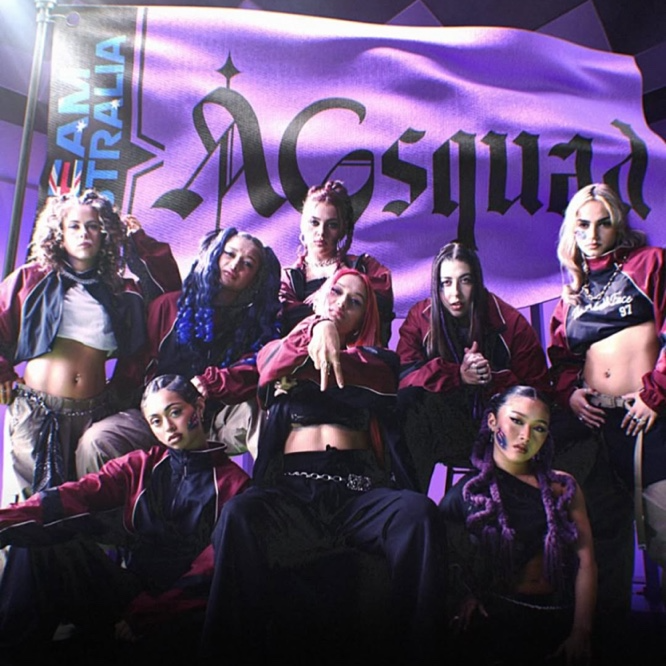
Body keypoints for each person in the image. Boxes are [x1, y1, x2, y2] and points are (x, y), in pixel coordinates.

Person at [200, 268, 447, 664]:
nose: (342, 304)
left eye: (355, 302)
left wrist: (302, 365)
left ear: (364, 318)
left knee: (419, 513)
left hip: (357, 493)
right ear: (317, 299)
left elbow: (372, 382)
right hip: (294, 493)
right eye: (336, 293)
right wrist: (317, 328)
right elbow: (268, 365)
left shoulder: (379, 361)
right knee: (238, 514)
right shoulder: (280, 345)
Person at [0, 374, 250, 662]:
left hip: (179, 615)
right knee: (37, 542)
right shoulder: (142, 465)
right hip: (129, 594)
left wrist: (148, 615)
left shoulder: (236, 487)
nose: (168, 427)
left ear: (200, 407)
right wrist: (6, 521)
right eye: (156, 421)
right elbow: (77, 495)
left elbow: (209, 573)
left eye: (175, 412)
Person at [0, 189, 180, 500]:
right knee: (28, 511)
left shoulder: (121, 292)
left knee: (79, 507)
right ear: (59, 233)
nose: (84, 233)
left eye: (93, 226)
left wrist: (138, 241)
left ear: (106, 233)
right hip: (36, 410)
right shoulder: (30, 279)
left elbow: (170, 291)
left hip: (94, 413)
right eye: (74, 226)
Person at [548, 182, 666, 644]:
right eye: (583, 225)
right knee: (603, 545)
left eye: (603, 224)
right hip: (595, 427)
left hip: (649, 419)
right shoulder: (571, 294)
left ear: (619, 226)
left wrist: (656, 393)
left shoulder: (650, 264)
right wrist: (570, 395)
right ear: (571, 231)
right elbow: (561, 362)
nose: (593, 235)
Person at [78, 226, 281, 464]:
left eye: (248, 263)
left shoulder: (255, 325)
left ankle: (269, 486)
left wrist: (214, 383)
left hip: (211, 426)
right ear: (215, 254)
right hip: (154, 420)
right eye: (229, 253)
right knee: (96, 440)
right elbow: (136, 368)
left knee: (263, 406)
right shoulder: (169, 306)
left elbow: (257, 368)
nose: (235, 265)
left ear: (256, 278)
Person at [440, 385, 597, 666]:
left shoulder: (562, 487)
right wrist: (465, 596)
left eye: (539, 428)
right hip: (497, 620)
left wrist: (581, 631)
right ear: (492, 421)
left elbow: (587, 562)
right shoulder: (467, 494)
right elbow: (448, 562)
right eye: (516, 421)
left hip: (559, 617)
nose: (525, 436)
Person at [397, 241, 551, 493]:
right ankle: (412, 504)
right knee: (408, 404)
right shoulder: (420, 317)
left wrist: (491, 380)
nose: (455, 294)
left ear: (477, 282)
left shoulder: (510, 323)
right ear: (436, 286)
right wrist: (457, 375)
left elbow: (538, 392)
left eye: (465, 281)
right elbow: (403, 378)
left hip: (498, 429)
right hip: (445, 427)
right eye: (446, 283)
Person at [279, 180, 395, 345]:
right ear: (302, 223)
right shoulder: (287, 278)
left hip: (353, 358)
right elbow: (284, 327)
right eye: (314, 223)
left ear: (342, 229)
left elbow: (376, 319)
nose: (321, 232)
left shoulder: (366, 267)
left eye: (332, 225)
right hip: (299, 357)